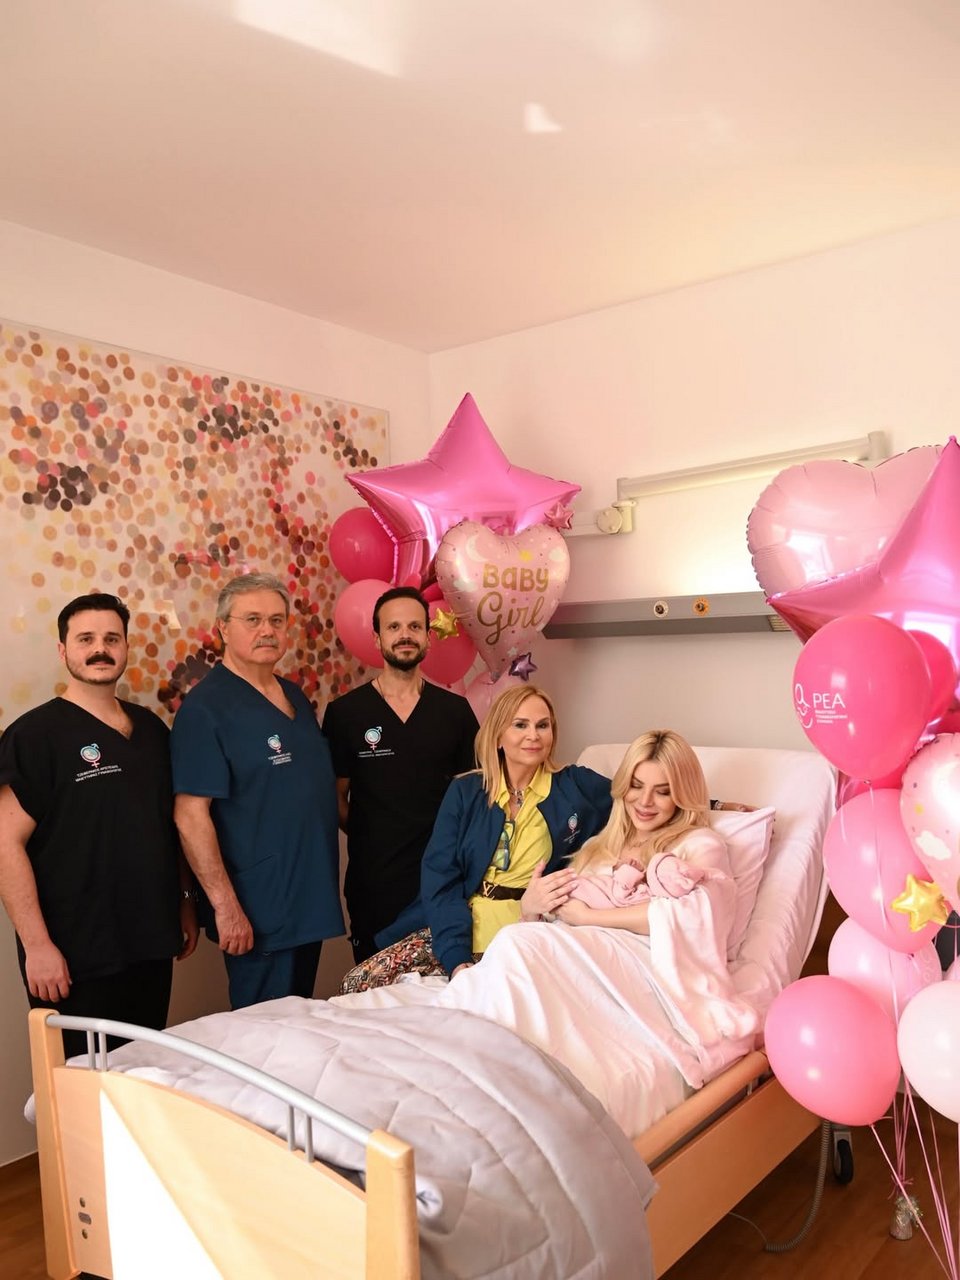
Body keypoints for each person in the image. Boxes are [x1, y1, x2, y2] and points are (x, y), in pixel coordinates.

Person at [0, 592, 197, 1058]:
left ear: (126, 647)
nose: (100, 649)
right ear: (63, 650)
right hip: (74, 955)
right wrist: (37, 946)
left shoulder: (152, 730)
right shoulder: (33, 736)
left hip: (149, 942)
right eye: (85, 639)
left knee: (141, 1076)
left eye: (112, 638)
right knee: (79, 1087)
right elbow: (6, 844)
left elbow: (168, 827)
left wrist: (185, 902)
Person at [340, 684, 612, 990]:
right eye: (520, 725)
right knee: (357, 983)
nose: (533, 735)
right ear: (497, 736)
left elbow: (638, 801)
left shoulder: (575, 786)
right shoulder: (466, 792)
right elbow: (441, 879)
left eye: (542, 725)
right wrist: (457, 961)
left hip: (526, 928)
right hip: (460, 924)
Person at [171, 572, 343, 1010]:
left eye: (276, 620)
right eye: (252, 619)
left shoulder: (293, 696)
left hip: (306, 895)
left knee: (300, 1021)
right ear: (223, 628)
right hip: (259, 905)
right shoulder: (205, 709)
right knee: (265, 1033)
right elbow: (190, 816)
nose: (267, 630)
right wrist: (225, 906)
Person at [322, 586, 478, 962]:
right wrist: (371, 833)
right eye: (393, 627)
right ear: (377, 638)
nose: (404, 635)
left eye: (414, 626)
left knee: (443, 980)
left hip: (443, 879)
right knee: (375, 986)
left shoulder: (455, 712)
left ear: (427, 636)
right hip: (375, 882)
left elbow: (476, 795)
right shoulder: (346, 714)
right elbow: (334, 797)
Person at [556, 730, 732, 935]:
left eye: (662, 792)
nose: (645, 801)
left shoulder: (701, 844)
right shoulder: (595, 848)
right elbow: (559, 913)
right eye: (636, 786)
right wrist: (531, 908)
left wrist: (589, 917)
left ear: (682, 796)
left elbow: (693, 918)